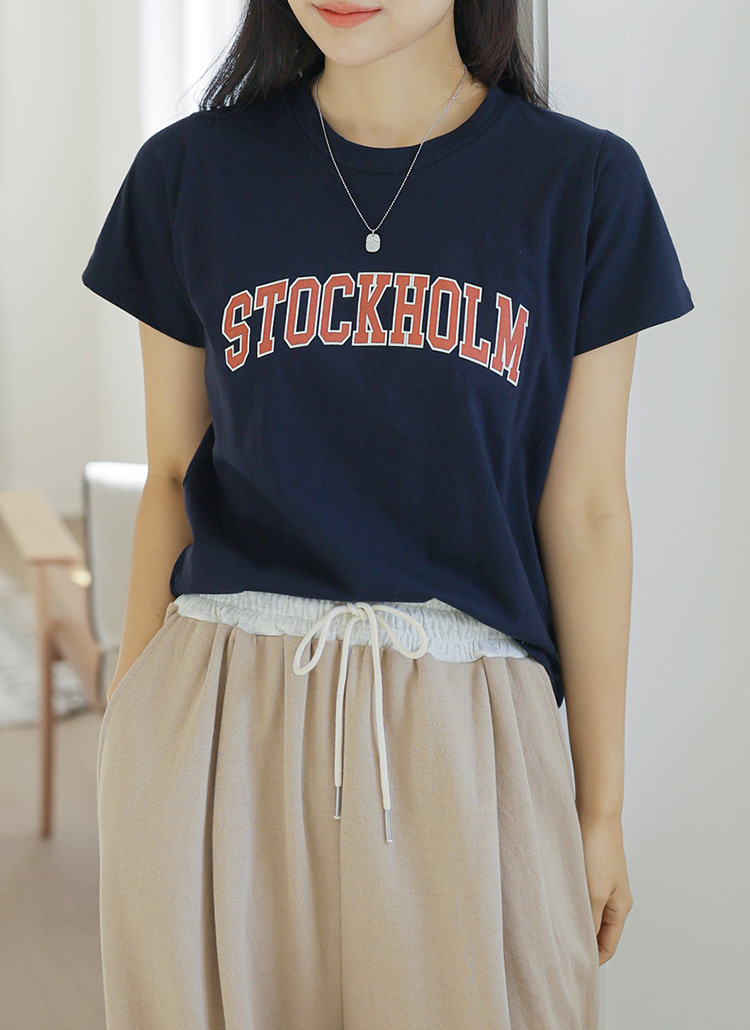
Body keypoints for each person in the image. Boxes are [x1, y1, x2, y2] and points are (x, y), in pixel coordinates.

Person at [81, 1, 694, 1027]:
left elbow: (586, 511)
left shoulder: (581, 184)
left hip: (466, 730)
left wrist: (600, 807)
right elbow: (173, 472)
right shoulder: (190, 174)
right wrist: (128, 750)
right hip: (218, 716)